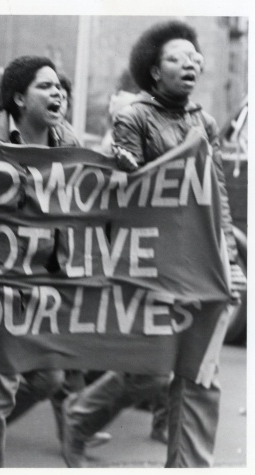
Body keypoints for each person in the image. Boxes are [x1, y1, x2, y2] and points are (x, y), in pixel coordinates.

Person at [60, 20, 246, 468]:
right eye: (176, 57)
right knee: (149, 371)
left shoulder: (204, 121)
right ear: (154, 70)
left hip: (199, 260)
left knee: (200, 370)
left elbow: (215, 191)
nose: (190, 64)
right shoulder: (134, 117)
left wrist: (231, 257)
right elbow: (124, 193)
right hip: (149, 262)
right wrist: (125, 167)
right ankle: (79, 418)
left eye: (194, 57)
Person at [0, 56, 79, 468]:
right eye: (46, 87)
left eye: (59, 86)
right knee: (1, 386)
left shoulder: (66, 139)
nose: (57, 92)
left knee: (47, 378)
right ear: (19, 99)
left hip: (43, 279)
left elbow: (93, 187)